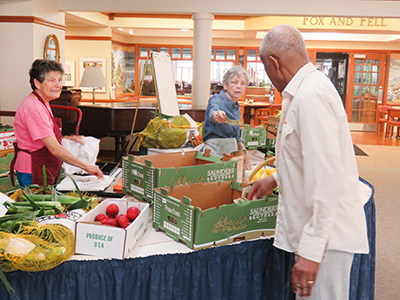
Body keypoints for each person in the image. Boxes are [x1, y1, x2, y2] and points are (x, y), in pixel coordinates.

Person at [248, 25, 369, 300]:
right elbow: (309, 157)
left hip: (328, 239)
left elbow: (327, 177)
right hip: (318, 235)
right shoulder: (304, 91)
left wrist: (313, 252)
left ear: (274, 63)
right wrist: (275, 178)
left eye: (266, 70)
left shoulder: (311, 96)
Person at [10, 59, 104, 187]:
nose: (58, 85)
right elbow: (55, 149)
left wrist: (69, 139)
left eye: (60, 80)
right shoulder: (35, 108)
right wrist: (86, 167)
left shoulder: (43, 102)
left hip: (42, 167)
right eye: (51, 80)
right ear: (37, 83)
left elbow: (41, 137)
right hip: (33, 170)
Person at [202, 65, 251, 170]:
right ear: (225, 85)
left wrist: (245, 157)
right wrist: (216, 115)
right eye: (234, 82)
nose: (239, 86)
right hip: (213, 153)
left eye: (242, 83)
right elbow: (213, 110)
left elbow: (236, 137)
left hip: (230, 154)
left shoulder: (237, 106)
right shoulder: (217, 99)